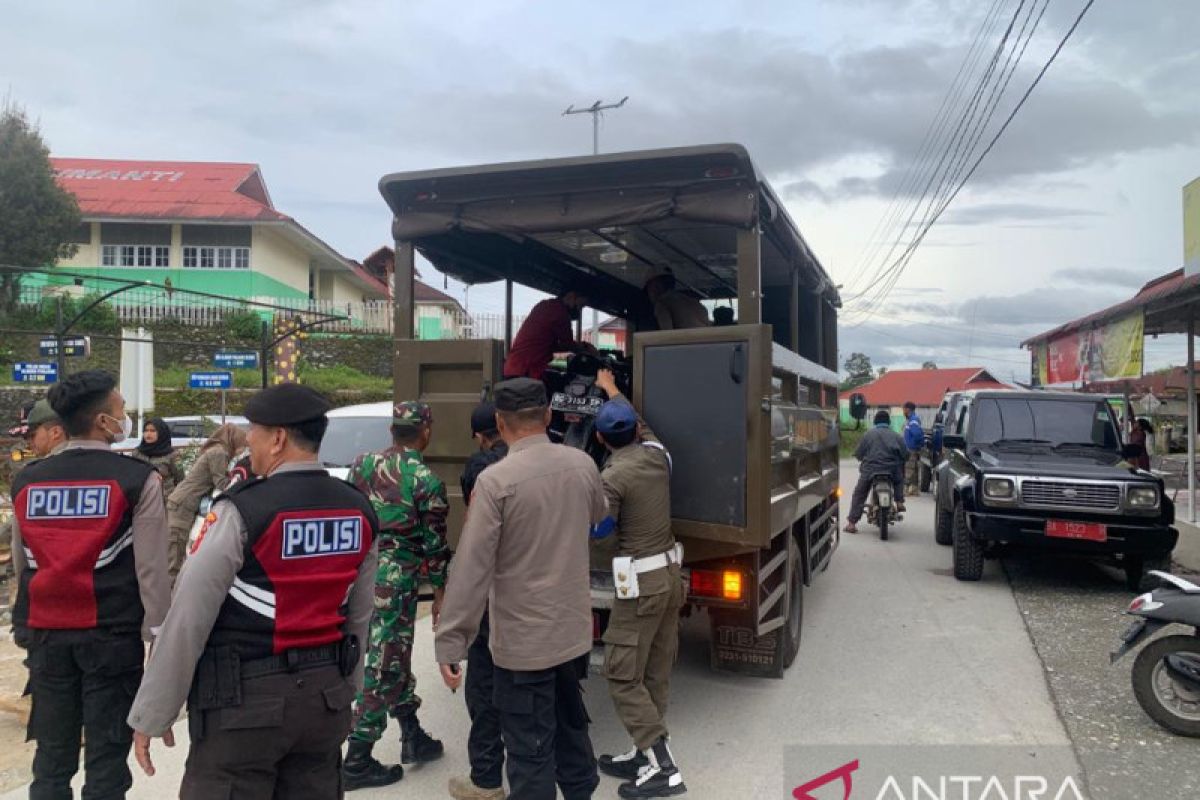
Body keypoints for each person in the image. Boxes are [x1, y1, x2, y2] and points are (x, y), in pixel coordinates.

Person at [128, 383, 379, 799]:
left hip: (243, 706)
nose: (249, 442)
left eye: (255, 433)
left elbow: (190, 615)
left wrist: (154, 713)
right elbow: (360, 616)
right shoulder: (358, 508)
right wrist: (345, 693)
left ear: (278, 438)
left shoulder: (242, 509)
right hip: (324, 700)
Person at [436, 378, 608, 800]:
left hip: (523, 645)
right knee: (571, 730)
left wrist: (451, 643)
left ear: (499, 421)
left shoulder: (495, 483)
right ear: (548, 415)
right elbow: (598, 518)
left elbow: (471, 570)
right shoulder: (583, 465)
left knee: (530, 754)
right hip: (570, 632)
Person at [10, 370, 170, 799]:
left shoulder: (27, 480)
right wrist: (158, 637)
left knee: (52, 756)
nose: (125, 419)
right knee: (106, 760)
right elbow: (151, 569)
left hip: (46, 636)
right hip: (111, 639)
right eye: (120, 412)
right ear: (103, 422)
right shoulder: (137, 479)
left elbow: (25, 565)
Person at [343, 401, 450, 790]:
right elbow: (435, 548)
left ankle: (412, 734)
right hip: (397, 579)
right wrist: (440, 594)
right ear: (425, 431)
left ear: (392, 431)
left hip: (360, 572)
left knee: (393, 653)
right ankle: (357, 757)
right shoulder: (426, 481)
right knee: (385, 663)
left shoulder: (363, 465)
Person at [592, 370, 687, 799]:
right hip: (670, 576)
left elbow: (601, 533)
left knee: (622, 674)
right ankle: (641, 752)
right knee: (654, 671)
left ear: (599, 439)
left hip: (641, 586)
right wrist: (612, 389)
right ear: (633, 431)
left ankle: (664, 768)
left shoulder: (611, 479)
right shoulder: (657, 456)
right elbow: (643, 424)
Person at [449, 401, 509, 800]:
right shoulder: (557, 463)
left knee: (484, 685)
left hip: (491, 593)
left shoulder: (480, 471)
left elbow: (474, 543)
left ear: (480, 434)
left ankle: (486, 780)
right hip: (539, 595)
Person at [165, 423, 248, 580]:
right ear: (233, 441)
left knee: (179, 551)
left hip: (181, 502)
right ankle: (171, 600)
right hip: (183, 505)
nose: (241, 450)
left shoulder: (216, 450)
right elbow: (221, 483)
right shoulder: (219, 452)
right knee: (176, 553)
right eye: (241, 445)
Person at [0, 401, 69, 552]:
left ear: (55, 432)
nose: (28, 442)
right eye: (25, 437)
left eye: (32, 435)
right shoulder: (20, 452)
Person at [503, 290, 595, 380]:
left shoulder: (544, 305)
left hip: (512, 368)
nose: (579, 310)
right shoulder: (560, 312)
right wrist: (587, 348)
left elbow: (546, 344)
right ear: (571, 296)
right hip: (526, 371)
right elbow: (569, 345)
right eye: (580, 306)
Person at [844, 409, 908, 534]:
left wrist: (860, 457)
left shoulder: (868, 435)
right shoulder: (897, 436)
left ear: (875, 421)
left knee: (860, 493)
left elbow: (859, 453)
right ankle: (899, 501)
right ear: (889, 422)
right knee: (899, 479)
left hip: (870, 470)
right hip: (891, 469)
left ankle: (851, 524)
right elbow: (905, 455)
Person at [130, 416, 184, 498]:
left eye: (153, 431)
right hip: (142, 499)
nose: (148, 434)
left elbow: (180, 480)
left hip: (165, 500)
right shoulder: (137, 453)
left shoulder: (173, 455)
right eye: (146, 430)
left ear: (161, 432)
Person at [644, 271, 709, 330]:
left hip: (685, 341)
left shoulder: (662, 304)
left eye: (649, 288)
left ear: (655, 286)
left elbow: (667, 334)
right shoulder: (695, 303)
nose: (649, 293)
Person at [902, 401, 924, 496]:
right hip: (911, 448)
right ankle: (914, 490)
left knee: (909, 469)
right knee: (914, 469)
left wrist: (915, 446)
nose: (903, 412)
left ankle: (905, 489)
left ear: (908, 409)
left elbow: (917, 435)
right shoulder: (910, 420)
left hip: (911, 449)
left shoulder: (913, 420)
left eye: (904, 409)